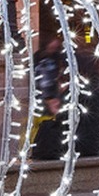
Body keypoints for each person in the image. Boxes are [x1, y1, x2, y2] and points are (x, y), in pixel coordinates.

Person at [31, 32, 68, 161]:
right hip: (45, 93)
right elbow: (41, 79)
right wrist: (48, 98)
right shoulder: (40, 58)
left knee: (53, 120)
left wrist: (60, 83)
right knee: (45, 121)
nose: (54, 47)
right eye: (53, 45)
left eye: (56, 46)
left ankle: (49, 146)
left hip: (54, 91)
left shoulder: (56, 57)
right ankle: (44, 147)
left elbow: (59, 71)